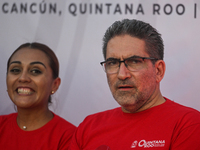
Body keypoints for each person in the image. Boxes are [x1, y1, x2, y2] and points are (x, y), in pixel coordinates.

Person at [69, 19, 200, 150]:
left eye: (134, 62)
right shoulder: (88, 127)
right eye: (113, 63)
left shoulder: (188, 124)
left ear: (158, 70)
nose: (122, 74)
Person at [0, 42, 76, 149]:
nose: (23, 78)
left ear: (55, 85)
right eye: (15, 70)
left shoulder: (70, 137)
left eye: (35, 71)